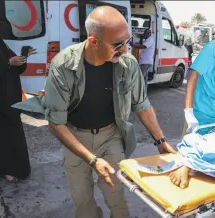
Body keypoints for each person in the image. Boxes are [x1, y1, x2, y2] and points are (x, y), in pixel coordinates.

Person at [12, 6, 176, 218]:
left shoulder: (128, 64)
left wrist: (161, 141)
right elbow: (56, 122)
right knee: (82, 201)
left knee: (116, 195)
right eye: (118, 45)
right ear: (93, 41)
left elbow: (141, 104)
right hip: (74, 136)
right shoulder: (63, 65)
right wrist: (92, 159)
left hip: (111, 137)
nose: (125, 50)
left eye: (127, 42)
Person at [0, 20, 36, 182]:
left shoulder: (2, 46)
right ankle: (5, 169)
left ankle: (18, 168)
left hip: (11, 101)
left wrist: (23, 57)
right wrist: (7, 63)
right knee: (3, 137)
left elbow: (17, 67)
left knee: (14, 135)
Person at [130, 28, 155, 93]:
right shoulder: (146, 40)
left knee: (139, 77)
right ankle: (144, 93)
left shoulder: (150, 40)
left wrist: (133, 45)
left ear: (150, 34)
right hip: (144, 62)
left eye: (147, 33)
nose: (145, 34)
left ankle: (138, 93)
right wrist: (141, 38)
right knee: (144, 79)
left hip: (146, 63)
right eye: (145, 33)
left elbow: (143, 46)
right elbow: (141, 44)